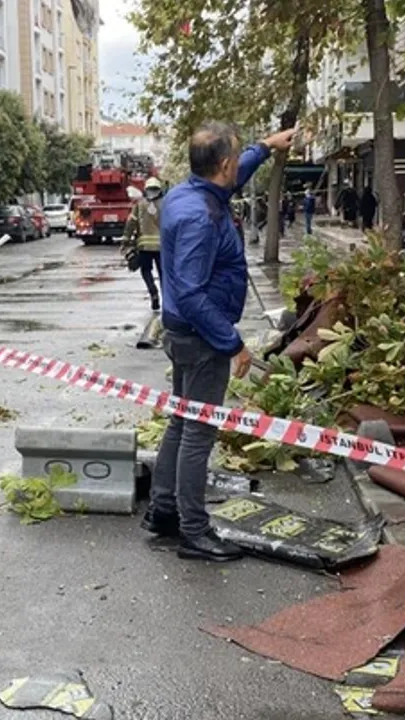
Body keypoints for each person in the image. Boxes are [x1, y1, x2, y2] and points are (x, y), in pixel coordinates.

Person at [141, 122, 297, 562]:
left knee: (181, 421)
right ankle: (194, 532)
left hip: (183, 332)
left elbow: (236, 175)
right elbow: (192, 293)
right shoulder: (201, 217)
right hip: (202, 339)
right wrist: (233, 344)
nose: (237, 166)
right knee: (198, 433)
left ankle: (163, 510)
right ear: (223, 164)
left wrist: (265, 147)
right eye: (236, 158)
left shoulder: (187, 193)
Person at [123, 176, 165, 311]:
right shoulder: (166, 204)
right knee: (163, 273)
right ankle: (167, 299)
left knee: (146, 271)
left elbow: (131, 223)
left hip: (144, 246)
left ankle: (153, 292)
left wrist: (125, 240)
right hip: (162, 247)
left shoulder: (140, 205)